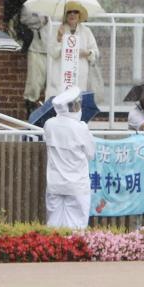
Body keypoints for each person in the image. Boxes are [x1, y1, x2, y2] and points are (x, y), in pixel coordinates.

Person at [43, 87, 95, 228]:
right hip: (77, 185)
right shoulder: (80, 128)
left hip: (54, 184)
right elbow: (91, 153)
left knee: (53, 228)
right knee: (77, 229)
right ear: (70, 107)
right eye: (76, 104)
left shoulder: (49, 124)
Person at [19, 0, 57, 115]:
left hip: (55, 51)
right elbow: (24, 19)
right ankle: (30, 112)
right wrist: (41, 19)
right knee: (34, 84)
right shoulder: (31, 4)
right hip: (36, 48)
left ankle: (53, 112)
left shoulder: (59, 6)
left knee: (54, 83)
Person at [47, 2, 100, 99]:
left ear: (79, 15)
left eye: (75, 12)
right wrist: (59, 38)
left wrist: (86, 53)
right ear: (65, 15)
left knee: (77, 104)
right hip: (61, 76)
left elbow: (95, 53)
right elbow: (53, 53)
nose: (72, 14)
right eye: (69, 12)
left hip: (80, 75)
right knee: (60, 104)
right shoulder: (58, 29)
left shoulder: (86, 31)